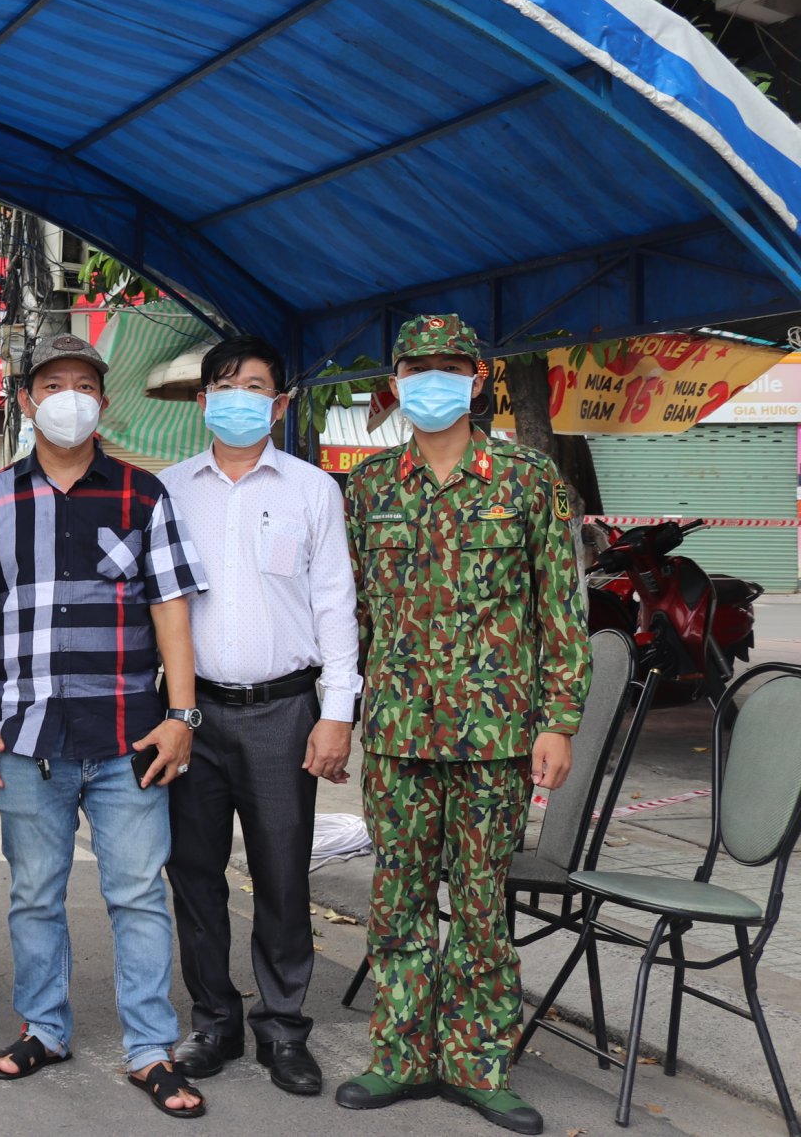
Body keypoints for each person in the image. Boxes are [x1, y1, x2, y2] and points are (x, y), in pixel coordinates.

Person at [335, 314, 587, 1136]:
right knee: (399, 897)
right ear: (395, 380)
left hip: (496, 738)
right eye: (418, 367)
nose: (433, 380)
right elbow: (355, 618)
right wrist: (344, 712)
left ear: (480, 378)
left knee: (482, 905)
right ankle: (402, 1056)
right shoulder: (370, 487)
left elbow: (562, 612)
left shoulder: (529, 480)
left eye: (451, 366)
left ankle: (479, 1064)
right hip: (401, 733)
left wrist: (559, 721)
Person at [0, 331, 208, 1120]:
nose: (67, 396)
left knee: (137, 894)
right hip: (28, 736)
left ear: (103, 400)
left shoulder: (143, 494)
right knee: (34, 893)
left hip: (128, 734)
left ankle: (150, 1048)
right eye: (51, 383)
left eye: (83, 383)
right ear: (27, 399)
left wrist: (181, 713)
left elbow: (172, 606)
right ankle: (43, 1026)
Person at [161, 335, 361, 1097]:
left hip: (285, 710)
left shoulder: (313, 490)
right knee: (196, 875)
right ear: (204, 401)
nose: (238, 396)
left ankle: (283, 1028)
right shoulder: (170, 490)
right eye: (224, 383)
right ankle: (214, 1020)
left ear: (278, 403)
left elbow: (336, 605)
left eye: (254, 385)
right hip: (192, 713)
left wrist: (335, 712)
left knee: (283, 874)